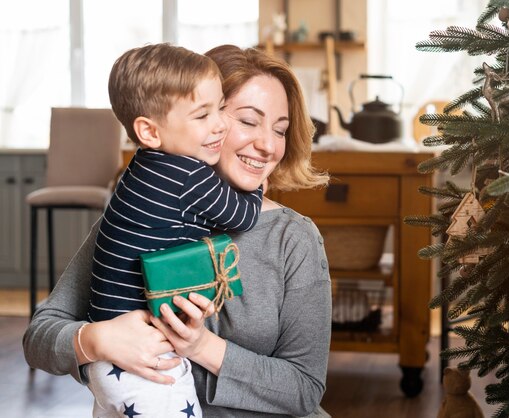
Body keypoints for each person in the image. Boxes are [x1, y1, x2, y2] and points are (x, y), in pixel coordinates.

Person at [23, 44, 332, 418]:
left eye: (280, 130)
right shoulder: (135, 216)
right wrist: (95, 339)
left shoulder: (293, 238)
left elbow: (304, 391)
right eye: (248, 121)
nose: (267, 145)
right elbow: (38, 338)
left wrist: (201, 346)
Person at [83, 43, 266, 417]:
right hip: (149, 353)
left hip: (108, 354)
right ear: (149, 131)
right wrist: (260, 181)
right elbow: (242, 216)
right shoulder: (189, 174)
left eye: (220, 109)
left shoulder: (140, 167)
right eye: (203, 115)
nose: (220, 124)